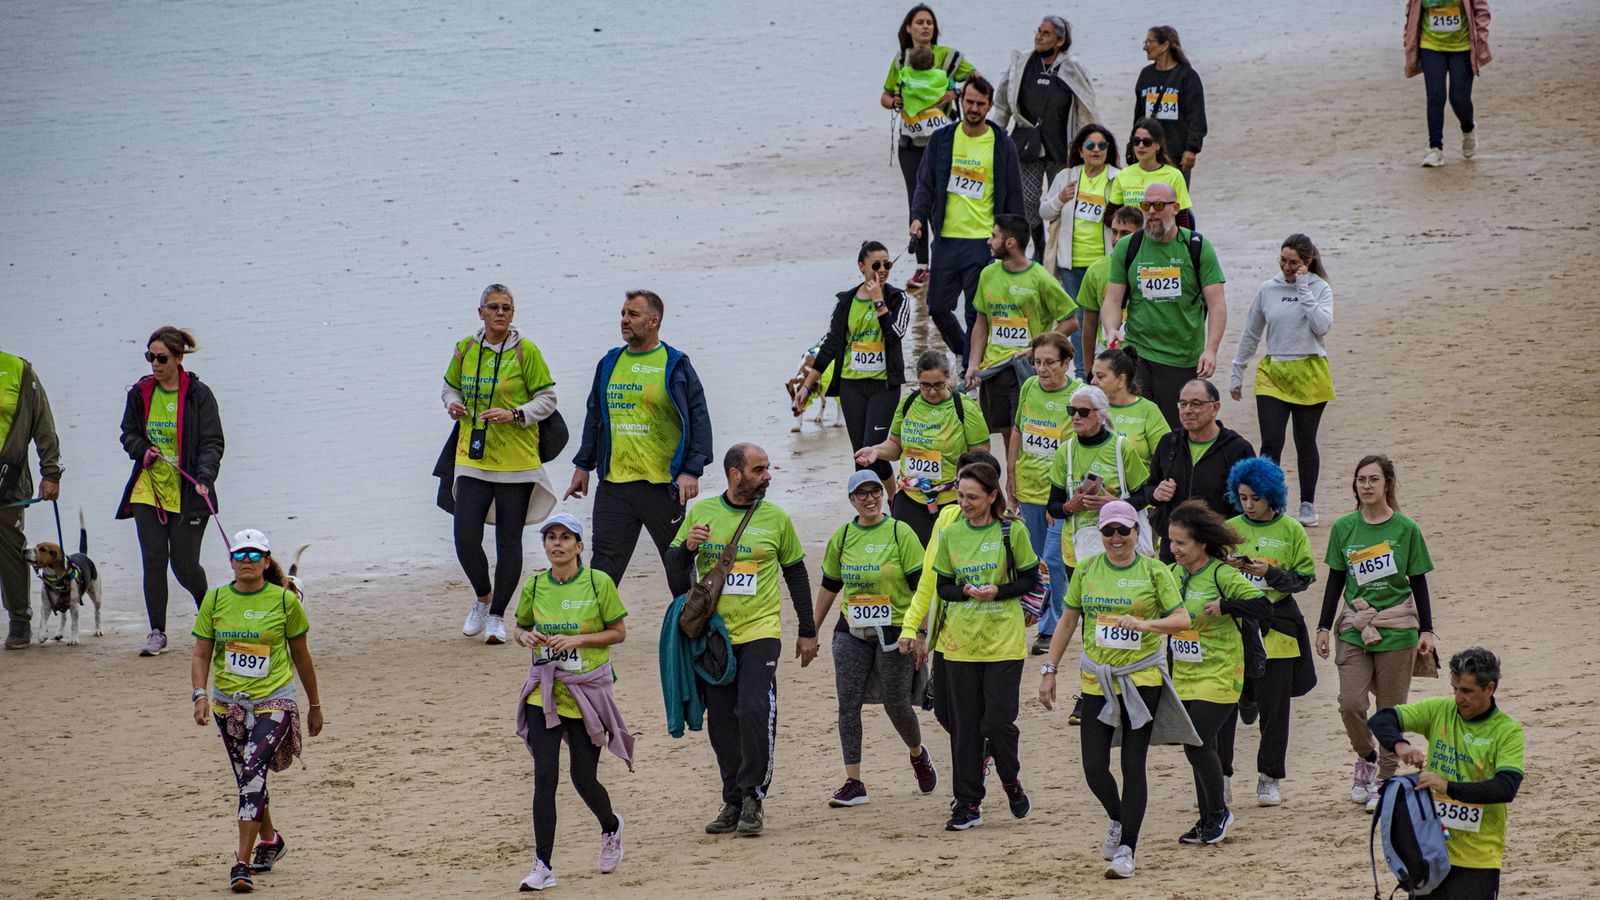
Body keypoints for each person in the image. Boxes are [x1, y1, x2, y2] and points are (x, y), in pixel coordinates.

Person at [666, 443, 816, 837]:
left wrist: (807, 629)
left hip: (760, 631)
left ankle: (753, 796)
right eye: (759, 469)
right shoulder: (701, 513)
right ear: (735, 474)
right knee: (722, 722)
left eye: (767, 468)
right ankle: (732, 798)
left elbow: (796, 574)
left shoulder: (776, 519)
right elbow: (674, 565)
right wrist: (689, 546)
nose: (768, 475)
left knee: (752, 709)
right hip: (714, 634)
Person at [1039, 501, 1193, 879]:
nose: (1116, 538)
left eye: (1124, 530)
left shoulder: (1155, 571)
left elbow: (1182, 619)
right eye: (1109, 531)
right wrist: (1049, 669)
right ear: (1100, 534)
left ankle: (1128, 848)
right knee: (1094, 766)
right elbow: (1068, 620)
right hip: (1096, 682)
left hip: (1141, 681)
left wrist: (1146, 625)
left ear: (1137, 533)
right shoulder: (1088, 570)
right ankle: (1116, 818)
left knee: (1132, 764)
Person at [189, 529, 323, 893]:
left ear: (266, 562)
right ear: (231, 561)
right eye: (239, 555)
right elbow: (201, 654)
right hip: (226, 704)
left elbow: (302, 656)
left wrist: (314, 705)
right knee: (249, 780)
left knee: (251, 775)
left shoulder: (284, 601)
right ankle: (271, 840)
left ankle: (241, 863)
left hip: (274, 700)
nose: (246, 561)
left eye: (254, 555)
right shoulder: (215, 600)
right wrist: (199, 695)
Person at [510, 513, 630, 891]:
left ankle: (610, 827)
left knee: (583, 778)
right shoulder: (534, 585)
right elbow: (520, 626)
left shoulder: (599, 583)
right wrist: (524, 637)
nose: (556, 544)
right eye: (550, 538)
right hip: (544, 691)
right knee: (544, 778)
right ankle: (543, 865)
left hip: (587, 693)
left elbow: (619, 632)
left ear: (579, 546)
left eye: (565, 538)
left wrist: (578, 641)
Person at [566, 290, 712, 599]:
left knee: (679, 570)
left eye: (632, 314)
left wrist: (691, 471)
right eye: (622, 313)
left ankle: (693, 639)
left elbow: (698, 419)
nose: (624, 320)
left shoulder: (675, 364)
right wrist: (583, 465)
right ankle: (590, 641)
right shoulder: (609, 362)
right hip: (615, 486)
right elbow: (595, 415)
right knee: (602, 570)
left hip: (662, 486)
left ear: (654, 321)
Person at [1316, 454, 1435, 812]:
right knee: (1350, 703)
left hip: (1398, 629)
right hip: (1355, 628)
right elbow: (1336, 577)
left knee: (1389, 710)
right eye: (1360, 480)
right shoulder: (1344, 528)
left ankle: (1383, 779)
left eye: (1373, 480)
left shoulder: (1406, 529)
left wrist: (1427, 629)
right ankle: (1366, 758)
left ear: (1387, 485)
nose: (1366, 486)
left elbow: (1418, 580)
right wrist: (1323, 626)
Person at [812, 470, 937, 807]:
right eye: (861, 494)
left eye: (875, 492)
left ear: (883, 494)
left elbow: (921, 589)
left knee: (896, 704)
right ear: (852, 500)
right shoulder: (843, 536)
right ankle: (854, 782)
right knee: (847, 704)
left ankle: (917, 753)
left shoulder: (900, 533)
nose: (869, 498)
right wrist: (811, 631)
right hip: (851, 631)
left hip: (896, 631)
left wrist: (921, 634)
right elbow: (829, 586)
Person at [443, 284, 558, 646]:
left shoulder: (527, 351)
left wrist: (515, 413)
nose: (500, 313)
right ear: (480, 313)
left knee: (508, 541)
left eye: (507, 307)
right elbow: (449, 387)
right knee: (465, 537)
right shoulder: (465, 348)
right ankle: (483, 597)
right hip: (472, 456)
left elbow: (548, 398)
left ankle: (497, 617)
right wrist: (453, 404)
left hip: (517, 462)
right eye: (493, 307)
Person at [930, 462, 1039, 831]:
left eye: (973, 497)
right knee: (965, 728)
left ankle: (1010, 779)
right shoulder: (952, 534)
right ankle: (968, 803)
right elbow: (942, 586)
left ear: (993, 496)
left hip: (1004, 643)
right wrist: (962, 591)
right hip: (960, 644)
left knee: (997, 722)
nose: (965, 503)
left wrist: (999, 591)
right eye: (960, 496)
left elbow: (1028, 579)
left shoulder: (1013, 531)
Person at [1370, 647, 1523, 899]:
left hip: (1478, 858)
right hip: (1430, 851)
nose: (1458, 698)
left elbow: (1505, 788)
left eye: (1467, 691)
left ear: (1489, 688)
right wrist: (1402, 746)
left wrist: (1447, 786)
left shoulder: (1508, 732)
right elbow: (1382, 719)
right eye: (1455, 689)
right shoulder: (1440, 710)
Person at [1165, 501, 1272, 845]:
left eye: (1181, 543)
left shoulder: (1221, 574)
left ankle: (1219, 813)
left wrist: (1226, 605)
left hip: (1223, 672)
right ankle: (1207, 818)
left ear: (1202, 543)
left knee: (1195, 741)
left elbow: (1262, 605)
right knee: (1199, 743)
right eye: (1171, 542)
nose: (1174, 549)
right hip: (1185, 673)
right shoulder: (1172, 574)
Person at [117, 326, 224, 658]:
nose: (155, 364)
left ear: (178, 358)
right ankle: (157, 632)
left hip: (190, 493)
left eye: (161, 358)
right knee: (153, 561)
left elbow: (213, 442)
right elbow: (128, 434)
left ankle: (209, 616)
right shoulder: (140, 393)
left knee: (185, 565)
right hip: (148, 489)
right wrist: (143, 450)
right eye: (150, 356)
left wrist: (204, 476)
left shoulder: (199, 395)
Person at [1224, 457, 1317, 807]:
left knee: (1276, 709)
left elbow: (1303, 579)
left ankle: (1269, 777)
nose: (1248, 505)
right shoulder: (1229, 527)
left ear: (1272, 497)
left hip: (1278, 624)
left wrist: (1269, 574)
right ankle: (1222, 775)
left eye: (1256, 498)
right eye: (1243, 497)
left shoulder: (1292, 530)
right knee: (1226, 705)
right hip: (1235, 625)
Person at [910, 76, 1025, 358]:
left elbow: (1014, 194)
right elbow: (924, 184)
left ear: (989, 106)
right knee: (936, 306)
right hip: (947, 239)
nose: (973, 108)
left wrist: (1017, 243)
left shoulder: (1001, 144)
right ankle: (967, 354)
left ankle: (972, 371)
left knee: (976, 311)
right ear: (961, 102)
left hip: (984, 241)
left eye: (980, 104)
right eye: (969, 102)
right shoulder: (942, 140)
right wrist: (917, 218)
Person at [897, 448, 1004, 737]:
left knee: (991, 715)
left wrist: (1030, 608)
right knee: (944, 710)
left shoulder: (1008, 528)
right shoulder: (947, 518)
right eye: (959, 486)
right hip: (952, 633)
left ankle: (991, 758)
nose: (964, 497)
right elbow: (929, 580)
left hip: (996, 636)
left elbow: (1031, 577)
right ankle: (979, 751)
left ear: (991, 491)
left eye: (972, 490)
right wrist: (915, 629)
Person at [1229, 234, 1334, 527]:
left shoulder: (1320, 288)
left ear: (1307, 262)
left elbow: (1322, 326)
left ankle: (1307, 504)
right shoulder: (1268, 289)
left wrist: (1303, 287)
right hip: (1274, 371)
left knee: (1305, 440)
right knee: (1272, 442)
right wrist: (1238, 370)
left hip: (1309, 370)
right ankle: (1269, 502)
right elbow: (1252, 332)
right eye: (1283, 261)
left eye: (1294, 263)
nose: (1287, 267)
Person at [1099, 182, 1224, 428]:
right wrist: (1111, 328)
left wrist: (1211, 350)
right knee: (1135, 429)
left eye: (1158, 205)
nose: (1152, 212)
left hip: (1182, 359)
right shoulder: (1128, 247)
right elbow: (1112, 300)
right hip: (1139, 355)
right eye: (1146, 206)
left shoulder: (1197, 247)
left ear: (1176, 208)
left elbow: (1217, 304)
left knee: (1175, 433)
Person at [795, 242, 913, 490]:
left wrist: (879, 302)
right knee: (861, 456)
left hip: (883, 387)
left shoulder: (897, 298)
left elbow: (895, 335)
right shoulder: (846, 302)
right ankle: (874, 507)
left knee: (874, 449)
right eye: (876, 265)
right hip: (851, 387)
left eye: (887, 265)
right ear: (861, 266)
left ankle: (892, 501)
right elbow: (829, 347)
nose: (883, 270)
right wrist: (806, 389)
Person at [882, 4, 978, 288]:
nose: (925, 27)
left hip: (943, 143)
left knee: (943, 201)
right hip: (910, 144)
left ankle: (945, 262)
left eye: (930, 23)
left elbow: (978, 82)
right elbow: (885, 97)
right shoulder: (900, 60)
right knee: (916, 202)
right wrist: (895, 102)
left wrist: (955, 92)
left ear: (935, 29)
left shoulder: (949, 57)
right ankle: (922, 267)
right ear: (908, 28)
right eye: (919, 22)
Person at [989, 16, 1100, 260]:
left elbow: (1087, 110)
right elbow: (1002, 104)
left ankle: (1057, 252)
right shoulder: (1021, 63)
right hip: (1026, 145)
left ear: (1060, 41)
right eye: (1038, 31)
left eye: (1046, 33)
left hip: (1062, 148)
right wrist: (993, 137)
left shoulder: (1073, 68)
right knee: (1027, 200)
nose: (1039, 36)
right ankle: (1037, 244)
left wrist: (1091, 147)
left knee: (1061, 203)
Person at [856, 351, 989, 547]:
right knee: (909, 562)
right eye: (925, 385)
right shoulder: (908, 404)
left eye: (939, 384)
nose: (932, 391)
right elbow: (894, 445)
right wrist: (876, 451)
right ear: (918, 380)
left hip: (952, 502)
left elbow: (981, 455)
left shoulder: (965, 407)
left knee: (948, 564)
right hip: (910, 499)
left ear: (948, 379)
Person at [965, 214, 1077, 444]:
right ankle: (1011, 477)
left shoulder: (1041, 279)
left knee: (1027, 430)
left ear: (1010, 242)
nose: (988, 241)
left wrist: (1037, 349)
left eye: (994, 236)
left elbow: (1071, 321)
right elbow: (982, 321)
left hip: (1026, 369)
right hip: (994, 369)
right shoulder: (988, 275)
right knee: (1006, 432)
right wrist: (973, 364)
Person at [1005, 332, 1082, 655]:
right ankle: (1045, 614)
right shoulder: (1029, 387)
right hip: (1028, 487)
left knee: (1054, 558)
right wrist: (1009, 474)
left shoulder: (1079, 395)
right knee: (1036, 559)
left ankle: (1051, 628)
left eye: (1049, 362)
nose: (1042, 369)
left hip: (1061, 494)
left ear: (1066, 362)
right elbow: (1019, 430)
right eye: (1037, 362)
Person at [1128, 379, 1254, 564]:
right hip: (1173, 549)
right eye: (1183, 404)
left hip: (1218, 550)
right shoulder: (1168, 443)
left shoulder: (1238, 449)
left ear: (1215, 407)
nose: (1188, 410)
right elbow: (1149, 487)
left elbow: (1252, 501)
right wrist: (1156, 493)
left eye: (1196, 404)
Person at [1040, 123, 1120, 373]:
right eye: (1090, 145)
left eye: (1102, 146)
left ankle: (1109, 370)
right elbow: (1043, 211)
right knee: (1080, 321)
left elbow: (1127, 218)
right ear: (1080, 150)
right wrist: (1060, 198)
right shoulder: (1066, 177)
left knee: (1109, 319)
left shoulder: (1117, 178)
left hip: (1105, 263)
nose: (1096, 150)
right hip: (1072, 264)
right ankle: (1083, 372)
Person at [1046, 385, 1151, 570]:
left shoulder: (1121, 447)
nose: (1076, 416)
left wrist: (1115, 504)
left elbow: (1145, 496)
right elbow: (1053, 506)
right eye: (1072, 410)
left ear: (1101, 415)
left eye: (1083, 412)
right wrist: (1070, 506)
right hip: (1077, 549)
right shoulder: (1065, 451)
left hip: (1119, 546)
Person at [0, 350, 62, 650]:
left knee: (11, 552)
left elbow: (43, 424)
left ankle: (19, 622)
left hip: (7, 482)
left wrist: (50, 473)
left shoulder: (18, 370)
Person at [1404, 0, 1491, 167]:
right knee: (1435, 96)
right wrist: (1408, 39)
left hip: (1462, 46)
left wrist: (1480, 37)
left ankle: (1468, 128)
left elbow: (1482, 10)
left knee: (1459, 98)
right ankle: (1435, 149)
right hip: (1430, 45)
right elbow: (1412, 11)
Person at [1072, 208, 1144, 381]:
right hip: (1106, 355)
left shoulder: (1151, 267)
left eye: (1125, 233)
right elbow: (1088, 326)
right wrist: (1088, 370)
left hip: (1144, 356)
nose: (1117, 239)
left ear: (1141, 235)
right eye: (1114, 232)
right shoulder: (1096, 270)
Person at [1133, 26, 1207, 184]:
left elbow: (1197, 117)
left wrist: (1191, 149)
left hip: (1176, 153)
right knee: (1148, 200)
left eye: (1149, 42)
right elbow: (1139, 116)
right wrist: (1134, 144)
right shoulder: (1145, 75)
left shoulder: (1187, 76)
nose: (1144, 47)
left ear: (1165, 45)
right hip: (1148, 151)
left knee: (1175, 202)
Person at [1103, 119, 1194, 230]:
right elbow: (1108, 217)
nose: (1141, 146)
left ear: (1158, 146)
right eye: (1136, 141)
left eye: (1146, 142)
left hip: (1161, 240)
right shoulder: (1123, 174)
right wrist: (1131, 222)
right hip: (1132, 241)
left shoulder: (1174, 175)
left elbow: (1182, 220)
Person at [1091, 344, 1168, 468]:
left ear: (1121, 380)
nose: (1092, 381)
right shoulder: (1088, 408)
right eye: (1093, 375)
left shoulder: (1148, 410)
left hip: (1138, 487)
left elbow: (1165, 457)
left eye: (1100, 376)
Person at [892, 46, 958, 146]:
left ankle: (906, 134)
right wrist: (953, 90)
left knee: (907, 112)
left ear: (910, 62)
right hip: (933, 111)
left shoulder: (906, 73)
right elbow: (951, 84)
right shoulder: (940, 75)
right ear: (933, 61)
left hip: (912, 111)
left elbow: (899, 85)